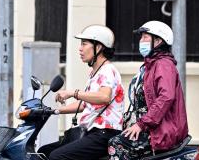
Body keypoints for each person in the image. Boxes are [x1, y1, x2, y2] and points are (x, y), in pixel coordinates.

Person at [38, 25, 124, 160]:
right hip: (91, 131)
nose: (80, 48)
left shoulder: (108, 70)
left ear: (98, 47)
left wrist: (73, 93)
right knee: (44, 151)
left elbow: (104, 97)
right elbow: (85, 104)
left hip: (105, 133)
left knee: (57, 157)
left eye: (84, 44)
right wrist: (54, 111)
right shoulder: (94, 73)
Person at [108, 21, 188, 160]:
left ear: (157, 41)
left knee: (117, 144)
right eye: (141, 37)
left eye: (145, 37)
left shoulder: (163, 64)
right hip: (150, 128)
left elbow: (166, 97)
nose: (141, 41)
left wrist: (141, 124)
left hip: (162, 131)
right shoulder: (149, 66)